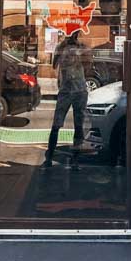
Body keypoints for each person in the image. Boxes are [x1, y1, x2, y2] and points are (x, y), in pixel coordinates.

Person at [44, 30, 88, 166]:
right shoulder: (61, 47)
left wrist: (79, 51)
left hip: (79, 89)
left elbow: (88, 64)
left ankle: (75, 159)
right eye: (71, 34)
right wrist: (64, 47)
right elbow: (54, 64)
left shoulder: (82, 47)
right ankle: (49, 157)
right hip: (65, 90)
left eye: (75, 34)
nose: (72, 37)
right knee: (56, 125)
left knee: (79, 125)